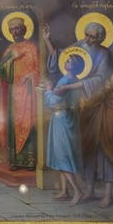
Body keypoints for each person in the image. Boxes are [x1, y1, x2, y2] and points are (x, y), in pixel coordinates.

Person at [43, 21, 113, 208]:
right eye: (87, 35)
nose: (88, 39)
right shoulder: (80, 45)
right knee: (88, 146)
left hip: (107, 103)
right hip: (87, 103)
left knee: (106, 145)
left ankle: (108, 194)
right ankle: (89, 190)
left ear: (100, 39)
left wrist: (69, 86)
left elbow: (100, 79)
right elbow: (62, 58)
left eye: (92, 37)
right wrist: (48, 41)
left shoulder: (104, 54)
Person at [42, 48, 86, 205]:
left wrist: (48, 90)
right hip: (70, 118)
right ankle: (64, 191)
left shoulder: (65, 81)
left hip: (61, 119)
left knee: (62, 155)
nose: (66, 62)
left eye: (69, 61)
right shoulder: (76, 80)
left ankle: (77, 191)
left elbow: (51, 102)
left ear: (73, 66)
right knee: (63, 155)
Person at [0, 15, 41, 170]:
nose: (15, 31)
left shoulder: (32, 48)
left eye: (17, 28)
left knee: (28, 123)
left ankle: (29, 161)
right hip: (13, 92)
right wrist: (12, 59)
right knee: (14, 125)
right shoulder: (10, 50)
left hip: (28, 92)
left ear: (23, 29)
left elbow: (38, 69)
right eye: (12, 29)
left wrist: (30, 76)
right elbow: (2, 72)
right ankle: (14, 161)